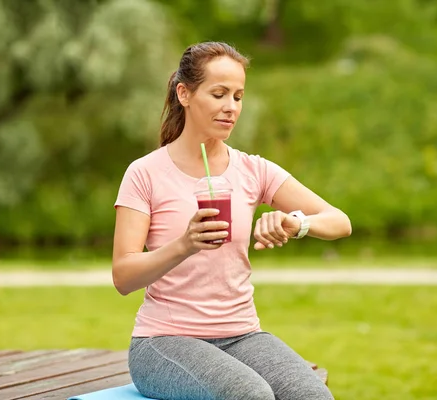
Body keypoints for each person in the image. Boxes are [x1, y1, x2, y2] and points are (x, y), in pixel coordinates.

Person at [112, 41, 351, 400]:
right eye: (219, 94)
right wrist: (184, 245)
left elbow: (339, 221)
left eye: (238, 97)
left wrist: (295, 222)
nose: (230, 108)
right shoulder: (144, 173)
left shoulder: (253, 169)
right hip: (163, 342)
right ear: (184, 94)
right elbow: (123, 276)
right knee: (249, 394)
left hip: (242, 335)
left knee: (313, 395)